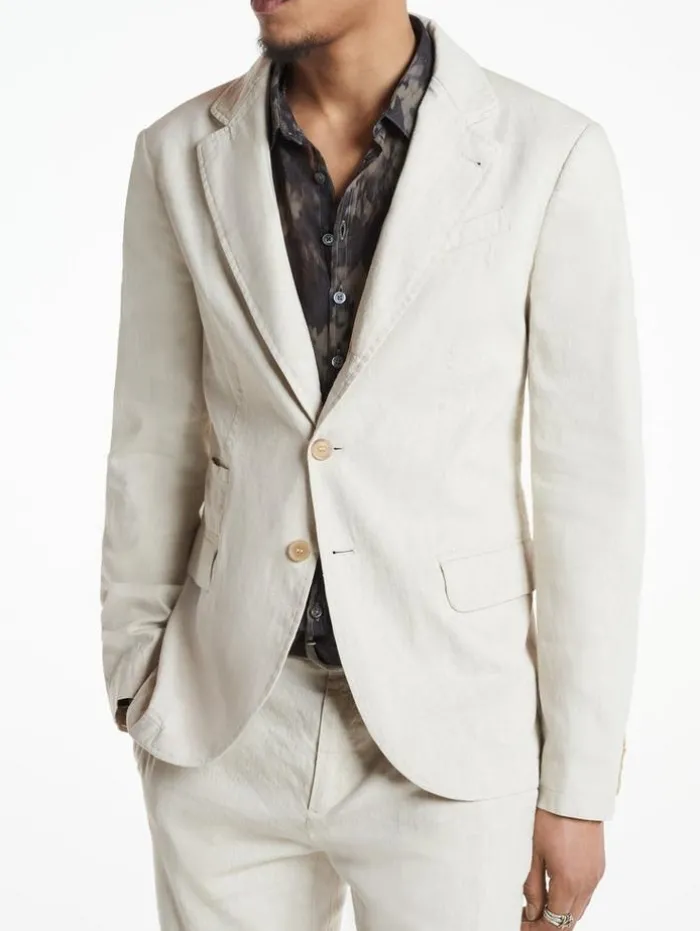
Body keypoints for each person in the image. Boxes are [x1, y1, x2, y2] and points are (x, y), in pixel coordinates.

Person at [99, 2, 644, 928]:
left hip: (451, 735)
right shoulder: (178, 152)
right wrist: (135, 677)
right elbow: (151, 433)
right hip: (225, 729)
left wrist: (578, 785)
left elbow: (589, 487)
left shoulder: (549, 155)